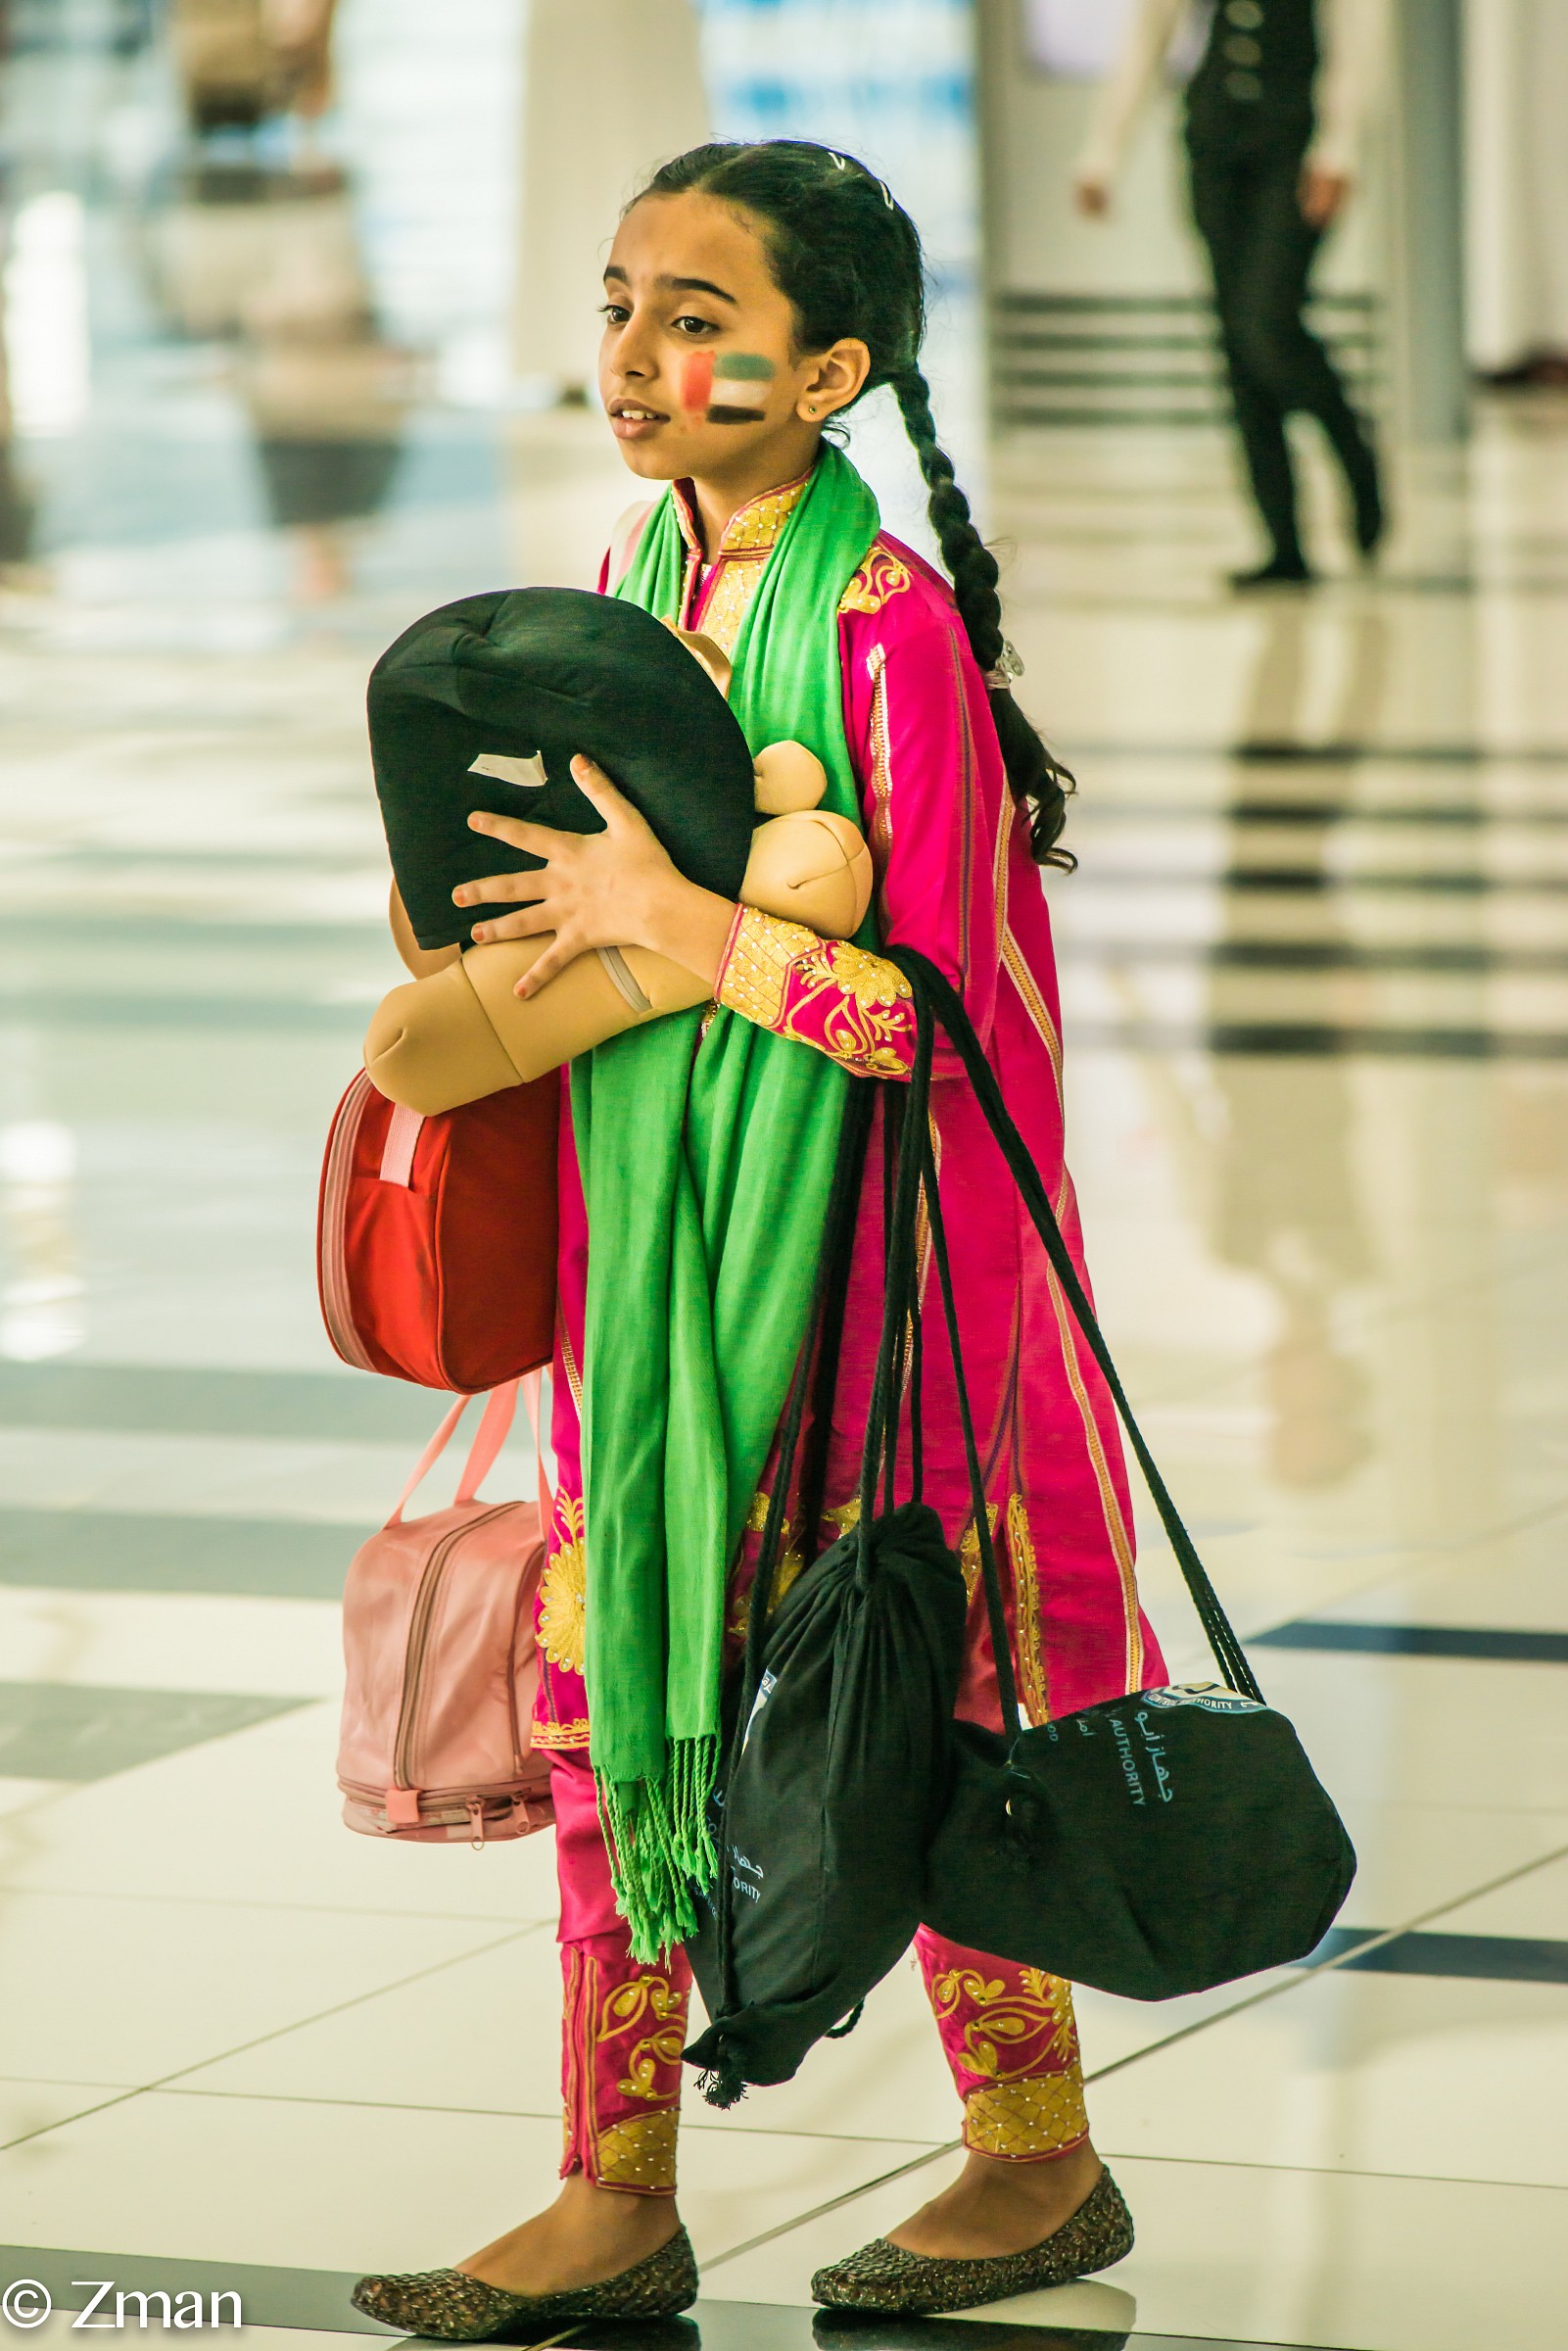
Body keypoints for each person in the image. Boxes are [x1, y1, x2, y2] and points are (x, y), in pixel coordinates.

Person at [351, 140, 1166, 2332]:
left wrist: (669, 924)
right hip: (670, 1266)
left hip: (899, 1292)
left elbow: (919, 1023)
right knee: (623, 1684)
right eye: (620, 303)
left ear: (832, 369)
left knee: (923, 1708)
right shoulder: (633, 570)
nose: (635, 355)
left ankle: (1034, 2159)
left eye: (695, 320)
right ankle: (611, 2192)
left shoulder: (882, 627)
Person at [1074, 0, 1389, 588]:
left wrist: (1340, 147)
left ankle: (1355, 458)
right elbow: (1149, 34)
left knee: (1267, 324)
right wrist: (1103, 152)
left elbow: (1358, 35)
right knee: (1236, 342)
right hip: (1215, 143)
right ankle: (1283, 545)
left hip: (1295, 144)